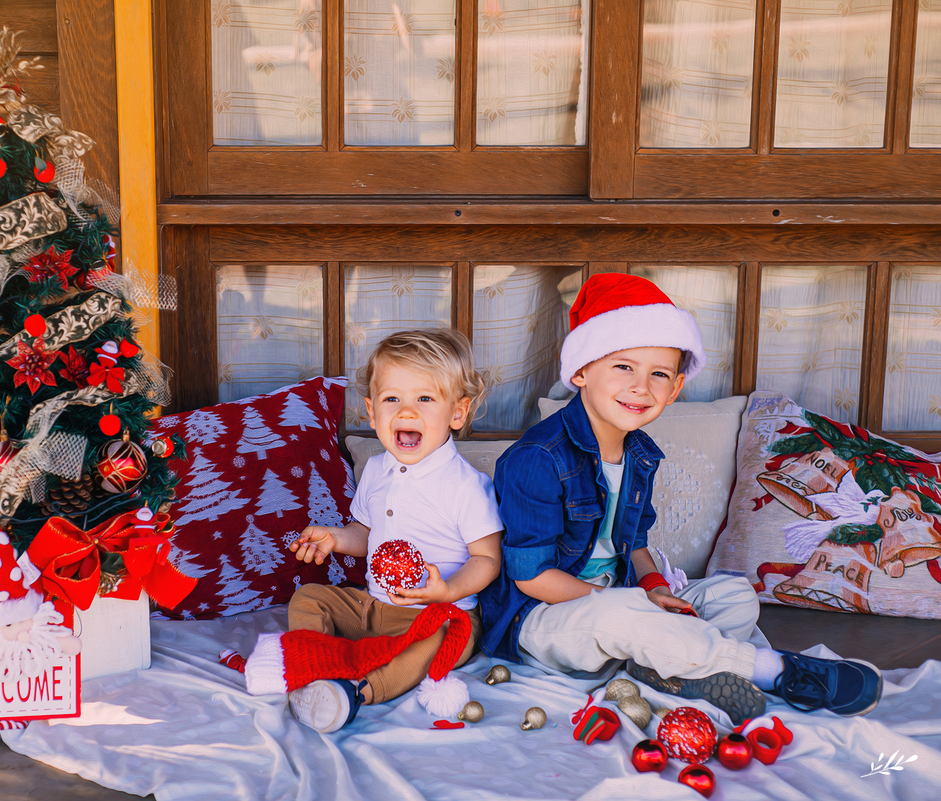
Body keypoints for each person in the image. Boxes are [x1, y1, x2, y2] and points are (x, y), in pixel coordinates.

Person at [479, 273, 883, 724]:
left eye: (658, 374)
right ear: (580, 371)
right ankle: (779, 671)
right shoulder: (537, 458)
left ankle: (670, 669)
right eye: (623, 367)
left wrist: (653, 588)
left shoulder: (639, 454)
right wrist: (629, 603)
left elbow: (633, 545)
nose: (641, 386)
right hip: (543, 619)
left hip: (622, 598)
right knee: (625, 614)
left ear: (674, 390)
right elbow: (532, 578)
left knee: (733, 594)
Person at [284, 328, 504, 732]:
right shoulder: (376, 470)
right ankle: (319, 666)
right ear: (371, 411)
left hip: (439, 616)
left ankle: (354, 692)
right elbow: (365, 535)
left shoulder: (466, 486)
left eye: (424, 399)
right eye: (392, 399)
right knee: (308, 598)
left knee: (438, 645)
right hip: (375, 606)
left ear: (458, 412)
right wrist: (335, 538)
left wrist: (449, 591)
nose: (406, 412)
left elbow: (488, 559)